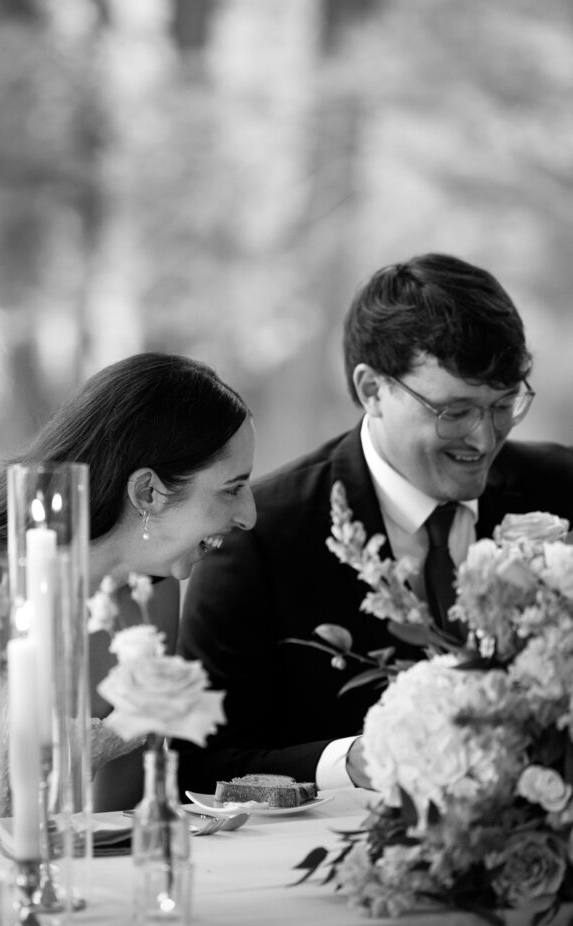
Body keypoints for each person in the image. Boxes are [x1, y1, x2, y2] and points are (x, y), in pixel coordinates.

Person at [175, 252, 573, 794]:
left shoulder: (563, 490)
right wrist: (355, 762)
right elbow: (199, 766)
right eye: (454, 412)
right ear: (372, 390)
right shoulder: (258, 536)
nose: (485, 439)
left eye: (504, 405)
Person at [0, 352, 256, 820]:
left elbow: (120, 818)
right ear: (147, 492)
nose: (249, 515)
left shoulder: (152, 595)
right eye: (231, 489)